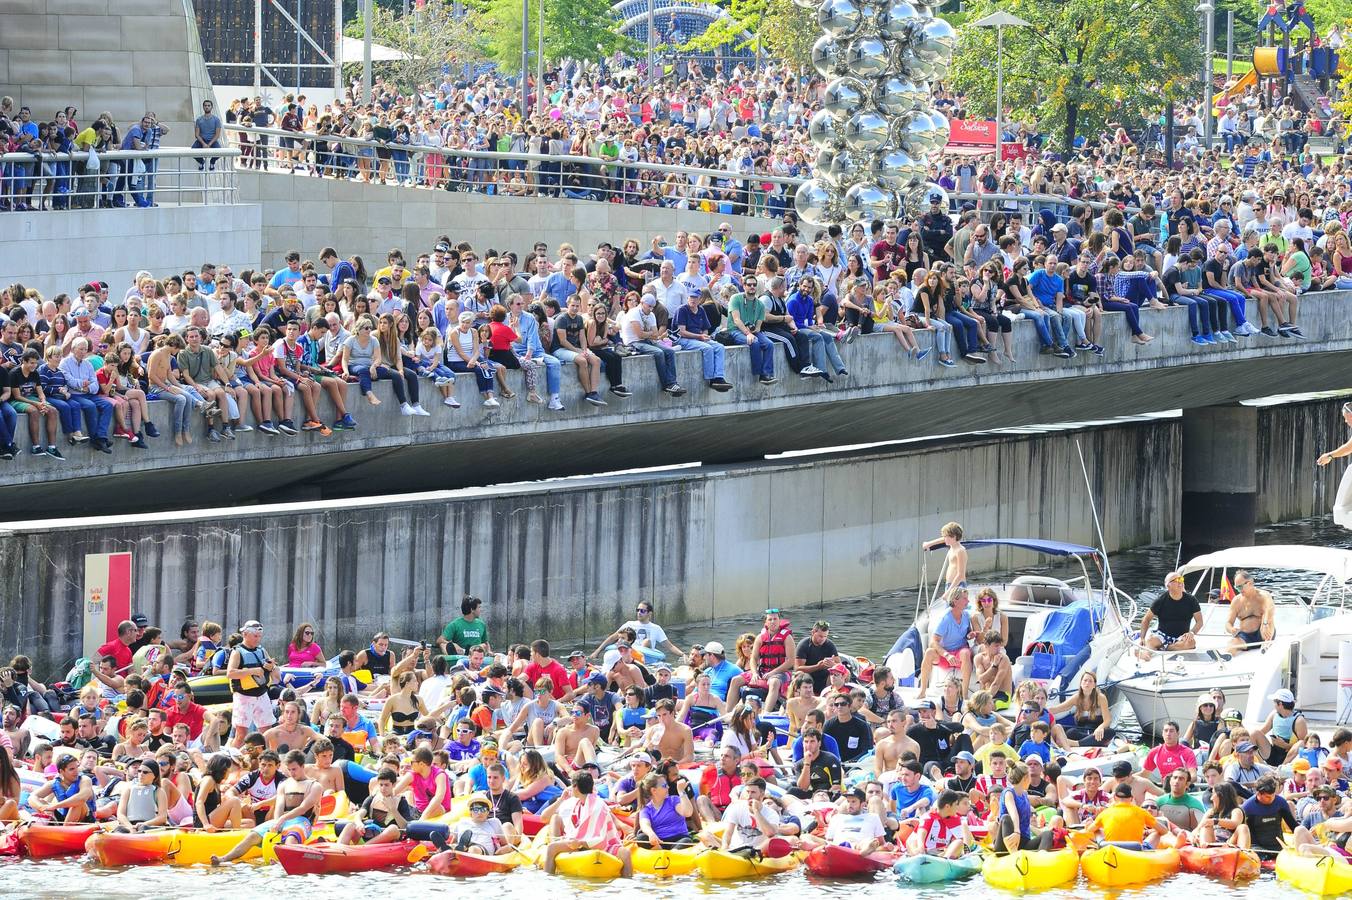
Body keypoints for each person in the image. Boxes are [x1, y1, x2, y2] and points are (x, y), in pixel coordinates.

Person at [211, 750, 322, 864]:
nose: (291, 773)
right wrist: (277, 822)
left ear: (302, 766)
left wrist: (282, 819)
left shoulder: (315, 786)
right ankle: (224, 858)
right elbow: (279, 805)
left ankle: (281, 862)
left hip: (302, 821)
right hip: (282, 820)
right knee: (252, 836)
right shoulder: (284, 784)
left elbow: (303, 808)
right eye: (289, 770)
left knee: (291, 838)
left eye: (294, 769)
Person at [543, 771, 631, 876]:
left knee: (625, 853)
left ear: (576, 787)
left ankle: (628, 881)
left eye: (572, 786)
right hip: (581, 842)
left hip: (598, 844)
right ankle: (549, 878)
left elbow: (601, 839)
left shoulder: (598, 806)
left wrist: (580, 843)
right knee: (552, 846)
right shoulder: (579, 803)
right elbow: (546, 817)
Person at [226, 620, 275, 747]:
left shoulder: (262, 650)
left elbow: (273, 668)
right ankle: (231, 759)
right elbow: (230, 673)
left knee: (267, 731)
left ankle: (266, 758)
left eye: (259, 636)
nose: (258, 639)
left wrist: (271, 667)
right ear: (245, 634)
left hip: (262, 694)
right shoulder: (237, 652)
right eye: (255, 636)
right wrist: (252, 671)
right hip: (244, 696)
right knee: (241, 734)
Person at [918, 589, 974, 694]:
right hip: (946, 655)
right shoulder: (945, 619)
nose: (968, 601)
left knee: (966, 653)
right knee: (929, 652)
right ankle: (922, 691)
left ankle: (965, 694)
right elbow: (933, 642)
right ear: (955, 601)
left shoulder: (966, 615)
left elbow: (968, 633)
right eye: (965, 598)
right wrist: (947, 655)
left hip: (960, 653)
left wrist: (970, 635)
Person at [993, 763, 1054, 854]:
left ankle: (1041, 858)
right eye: (1029, 776)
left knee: (1048, 834)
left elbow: (1025, 821)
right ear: (1025, 778)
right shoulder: (1009, 793)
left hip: (1023, 842)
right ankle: (1013, 853)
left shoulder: (1024, 794)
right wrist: (1017, 831)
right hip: (1006, 841)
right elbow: (1014, 813)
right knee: (1006, 818)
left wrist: (1040, 831)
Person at [1138, 572, 1203, 651]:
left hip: (1182, 637)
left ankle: (1164, 647)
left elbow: (1199, 621)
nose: (1180, 582)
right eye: (1176, 580)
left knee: (1191, 643)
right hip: (1162, 636)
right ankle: (1146, 654)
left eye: (1181, 579)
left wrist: (1191, 633)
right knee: (1150, 641)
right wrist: (1142, 638)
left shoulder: (1191, 600)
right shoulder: (1160, 601)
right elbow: (1146, 619)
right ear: (1168, 585)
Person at [1240, 775, 1297, 858]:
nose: (1272, 799)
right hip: (1258, 849)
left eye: (1273, 795)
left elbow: (1293, 826)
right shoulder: (1247, 808)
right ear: (1259, 793)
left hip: (1278, 847)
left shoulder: (1280, 803)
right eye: (1267, 797)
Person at [1226, 570, 1276, 651]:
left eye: (1240, 587)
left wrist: (1265, 623)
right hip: (1245, 637)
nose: (1238, 590)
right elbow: (1228, 623)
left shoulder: (1264, 595)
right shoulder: (1236, 601)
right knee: (1231, 644)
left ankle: (1266, 644)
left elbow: (1270, 610)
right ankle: (1224, 658)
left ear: (1249, 583)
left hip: (1263, 632)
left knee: (1267, 619)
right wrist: (1231, 629)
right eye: (1236, 587)